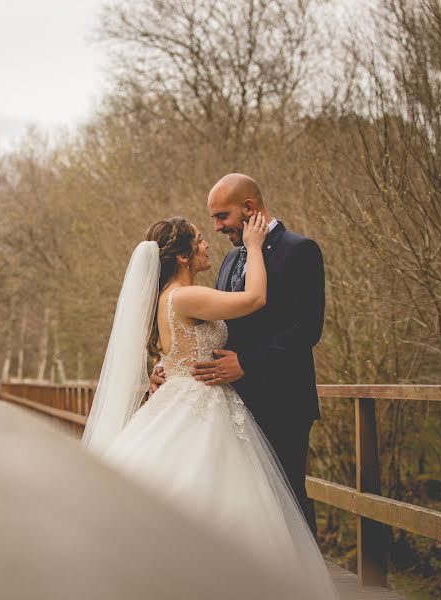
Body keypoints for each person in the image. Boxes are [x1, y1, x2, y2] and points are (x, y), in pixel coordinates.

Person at [81, 214, 335, 599]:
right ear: (182, 256)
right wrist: (252, 246)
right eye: (198, 240)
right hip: (199, 403)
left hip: (184, 398)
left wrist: (160, 368)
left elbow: (176, 350)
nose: (206, 244)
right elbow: (255, 299)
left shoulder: (169, 296)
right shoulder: (185, 295)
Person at [151, 174, 324, 535]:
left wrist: (246, 363)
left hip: (282, 399)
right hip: (228, 403)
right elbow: (208, 325)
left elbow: (307, 329)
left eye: (222, 216)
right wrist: (170, 364)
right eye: (211, 220)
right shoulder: (231, 261)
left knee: (287, 502)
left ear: (248, 208)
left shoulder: (300, 250)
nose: (216, 227)